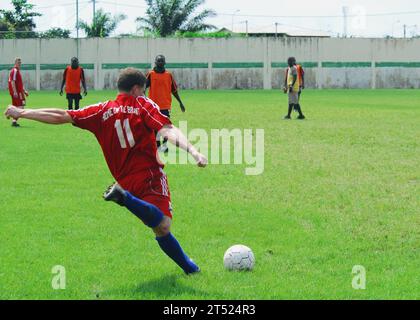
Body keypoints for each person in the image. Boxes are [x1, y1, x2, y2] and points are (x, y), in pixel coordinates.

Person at [5, 68, 207, 275]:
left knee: (160, 228)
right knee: (163, 224)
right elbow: (167, 129)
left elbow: (61, 115)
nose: (145, 95)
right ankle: (126, 200)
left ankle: (191, 269)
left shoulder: (101, 109)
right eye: (144, 91)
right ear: (137, 89)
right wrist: (193, 150)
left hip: (123, 179)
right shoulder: (143, 104)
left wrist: (23, 112)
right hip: (149, 175)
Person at [146, 55, 186, 152]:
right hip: (153, 106)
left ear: (165, 63)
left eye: (162, 61)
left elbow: (174, 90)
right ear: (155, 63)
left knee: (165, 127)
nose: (160, 63)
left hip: (165, 106)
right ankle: (157, 145)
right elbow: (143, 88)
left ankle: (164, 146)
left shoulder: (169, 75)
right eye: (158, 61)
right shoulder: (150, 74)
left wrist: (180, 102)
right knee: (155, 127)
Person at [8, 58, 29, 127]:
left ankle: (12, 118)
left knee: (16, 107)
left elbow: (19, 83)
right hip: (17, 93)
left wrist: (24, 91)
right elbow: (12, 81)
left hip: (19, 92)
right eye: (18, 62)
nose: (20, 63)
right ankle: (11, 117)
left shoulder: (17, 71)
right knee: (21, 107)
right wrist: (15, 92)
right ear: (15, 63)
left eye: (20, 62)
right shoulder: (14, 70)